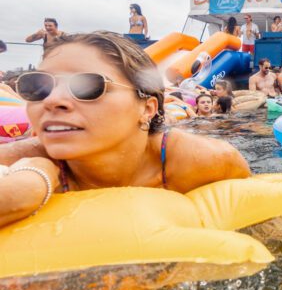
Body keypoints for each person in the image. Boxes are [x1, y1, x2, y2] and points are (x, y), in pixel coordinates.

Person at [0, 31, 250, 226]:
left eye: (88, 86)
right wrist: (33, 182)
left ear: (147, 109)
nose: (52, 100)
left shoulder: (207, 162)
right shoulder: (22, 162)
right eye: (38, 86)